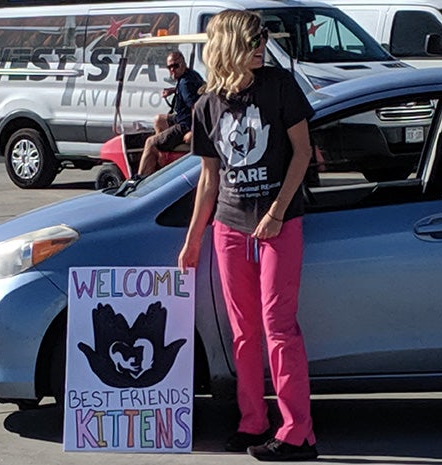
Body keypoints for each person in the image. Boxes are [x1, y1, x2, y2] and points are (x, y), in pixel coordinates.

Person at [177, 10, 318, 462]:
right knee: (243, 332)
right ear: (229, 45)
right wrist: (193, 238)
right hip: (230, 226)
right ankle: (252, 421)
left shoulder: (280, 86)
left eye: (263, 38)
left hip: (278, 224)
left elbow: (303, 155)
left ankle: (299, 433)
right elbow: (208, 180)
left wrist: (277, 212)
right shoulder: (205, 105)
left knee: (280, 327)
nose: (262, 45)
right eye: (253, 38)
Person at [137, 50, 204, 177]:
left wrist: (195, 132)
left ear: (183, 63)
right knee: (159, 119)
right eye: (169, 67)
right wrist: (173, 91)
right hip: (183, 118)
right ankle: (162, 157)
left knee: (150, 142)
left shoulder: (185, 83)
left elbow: (197, 108)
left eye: (175, 66)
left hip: (186, 125)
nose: (172, 70)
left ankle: (141, 178)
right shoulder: (190, 76)